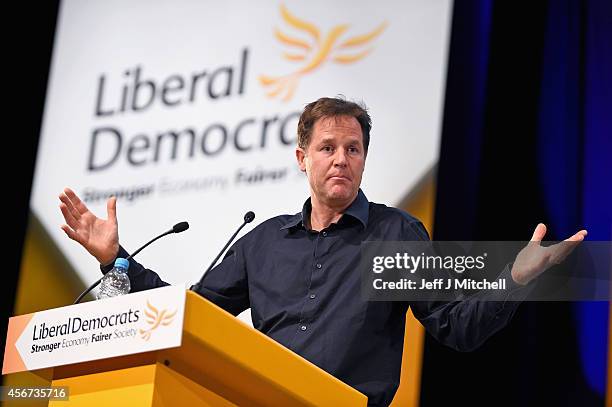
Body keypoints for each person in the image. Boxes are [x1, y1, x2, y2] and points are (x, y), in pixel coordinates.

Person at [59, 97, 587, 406]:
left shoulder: (397, 235)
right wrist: (116, 260)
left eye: (353, 149)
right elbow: (188, 315)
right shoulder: (263, 241)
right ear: (301, 158)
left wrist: (516, 277)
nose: (342, 160)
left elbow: (457, 325)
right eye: (328, 148)